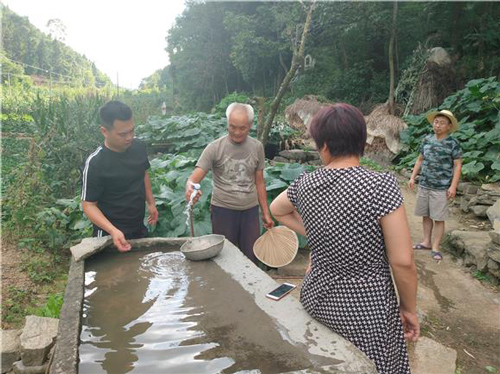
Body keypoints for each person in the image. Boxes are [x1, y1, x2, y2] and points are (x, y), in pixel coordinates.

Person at [270, 104, 419, 374]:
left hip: (317, 299)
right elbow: (403, 261)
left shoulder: (305, 183)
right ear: (361, 141)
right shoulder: (380, 185)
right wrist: (408, 309)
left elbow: (276, 210)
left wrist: (317, 231)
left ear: (324, 145)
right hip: (365, 312)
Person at [185, 102, 273, 264]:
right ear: (227, 123)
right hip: (223, 211)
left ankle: (250, 289)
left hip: (250, 212)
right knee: (224, 259)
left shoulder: (257, 147)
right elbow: (194, 177)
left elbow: (259, 182)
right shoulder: (215, 148)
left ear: (250, 125)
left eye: (242, 128)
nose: (237, 133)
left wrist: (265, 212)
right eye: (232, 127)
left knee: (251, 258)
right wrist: (190, 187)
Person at [81, 100, 158, 252]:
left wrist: (151, 203)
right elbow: (88, 205)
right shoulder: (95, 163)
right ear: (104, 131)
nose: (129, 137)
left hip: (138, 227)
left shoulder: (139, 147)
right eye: (123, 134)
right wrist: (112, 230)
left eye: (132, 131)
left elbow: (143, 174)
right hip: (108, 235)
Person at [408, 110, 462, 261]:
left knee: (438, 218)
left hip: (441, 187)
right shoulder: (427, 139)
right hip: (424, 184)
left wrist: (453, 186)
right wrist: (413, 177)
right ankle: (426, 241)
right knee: (425, 215)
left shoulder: (453, 143)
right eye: (436, 122)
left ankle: (436, 247)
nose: (438, 125)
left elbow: (457, 166)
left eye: (442, 123)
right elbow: (420, 160)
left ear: (449, 126)